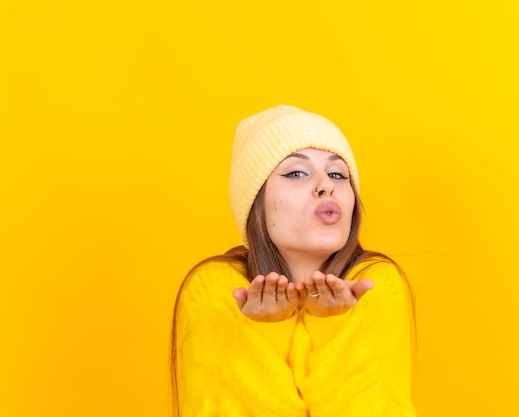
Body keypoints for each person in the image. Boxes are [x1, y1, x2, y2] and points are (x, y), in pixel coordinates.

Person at [171, 105, 416, 417]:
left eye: (338, 174)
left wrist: (333, 325)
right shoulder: (215, 290)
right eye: (297, 173)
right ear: (254, 203)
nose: (327, 185)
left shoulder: (376, 284)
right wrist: (267, 330)